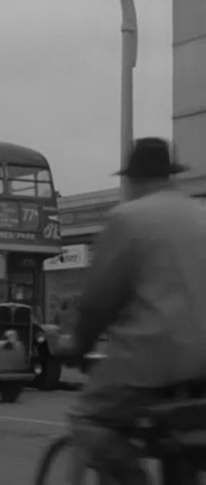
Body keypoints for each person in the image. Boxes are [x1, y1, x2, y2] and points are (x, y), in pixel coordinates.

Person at [69, 137, 206, 484]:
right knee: (182, 444)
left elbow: (97, 302)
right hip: (202, 368)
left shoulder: (127, 218)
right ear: (170, 175)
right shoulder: (201, 215)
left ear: (131, 180)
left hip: (150, 364)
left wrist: (78, 347)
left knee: (86, 417)